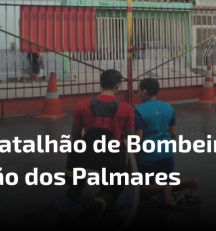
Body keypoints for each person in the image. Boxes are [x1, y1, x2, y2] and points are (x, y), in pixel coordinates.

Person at [60, 69, 134, 226]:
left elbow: (75, 136)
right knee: (113, 190)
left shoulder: (81, 106)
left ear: (101, 84)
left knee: (74, 149)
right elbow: (131, 139)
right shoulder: (126, 108)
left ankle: (74, 189)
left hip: (87, 156)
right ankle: (95, 205)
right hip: (112, 159)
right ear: (118, 85)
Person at [133, 78, 201, 208]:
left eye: (139, 90)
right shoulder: (169, 107)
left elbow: (138, 138)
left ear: (145, 91)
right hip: (166, 153)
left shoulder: (138, 111)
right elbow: (173, 133)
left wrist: (133, 158)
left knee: (140, 190)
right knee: (168, 181)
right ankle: (191, 183)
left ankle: (162, 189)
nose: (138, 93)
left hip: (147, 156)